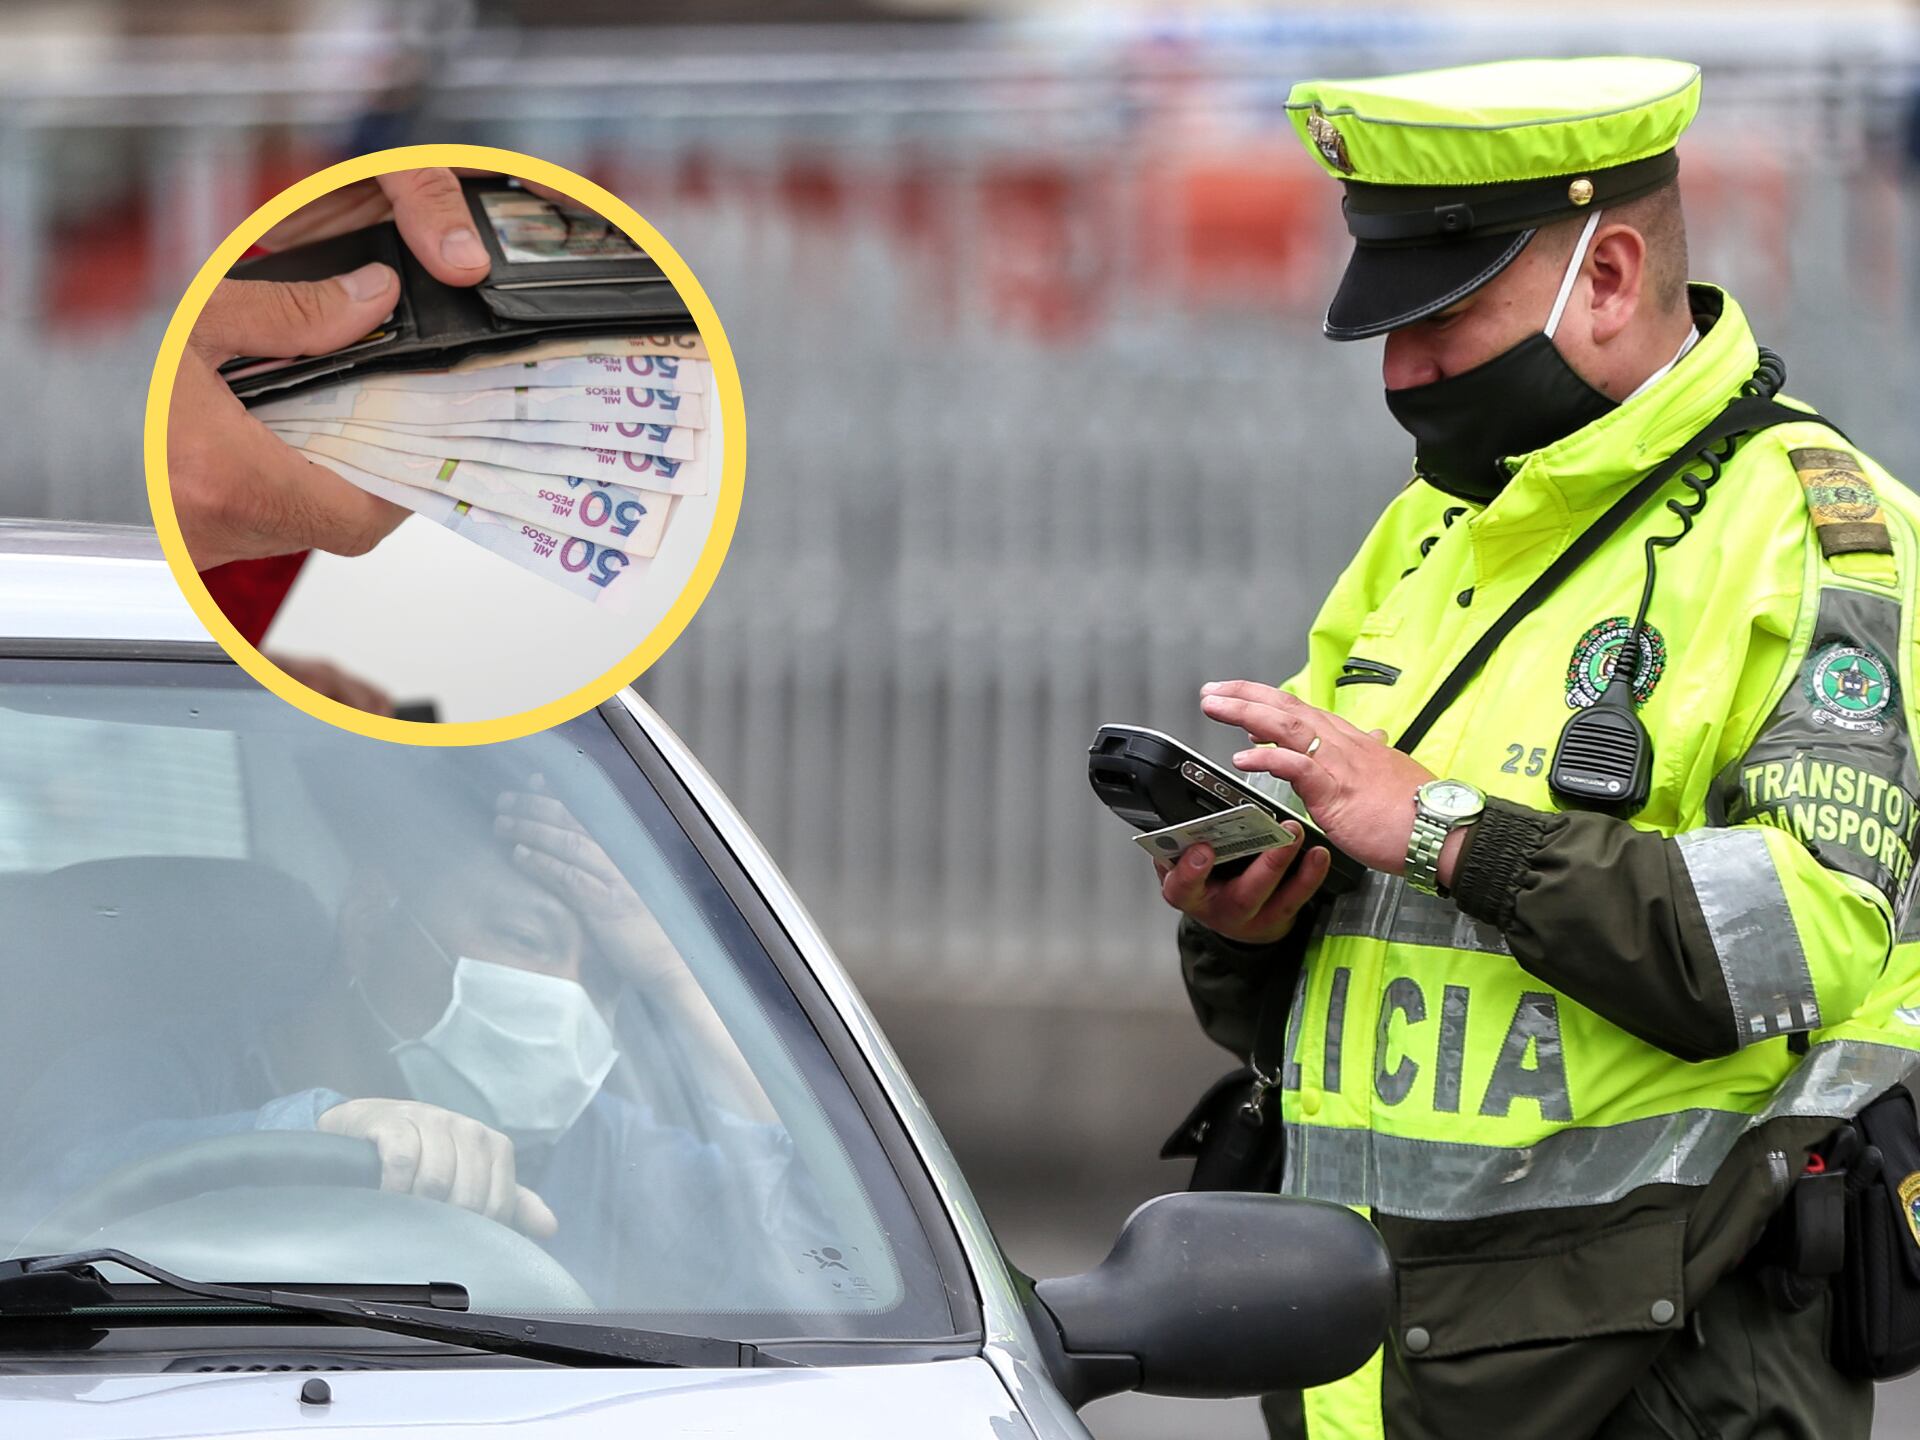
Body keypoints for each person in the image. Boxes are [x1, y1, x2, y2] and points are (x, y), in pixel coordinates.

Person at [1156, 56, 1920, 1437]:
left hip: (1659, 1375)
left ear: (1613, 275)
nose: (1403, 369)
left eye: (1443, 314)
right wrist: (1248, 914)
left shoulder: (1812, 534)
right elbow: (1345, 972)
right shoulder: (1433, 530)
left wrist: (1445, 826)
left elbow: (1800, 944)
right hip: (1376, 1365)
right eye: (1383, 327)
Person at [6, 772, 819, 1311]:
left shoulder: (594, 1148)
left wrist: (675, 978)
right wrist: (322, 1131)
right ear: (370, 921)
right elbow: (38, 1214)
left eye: (605, 978)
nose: (572, 996)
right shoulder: (151, 1071)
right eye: (525, 937)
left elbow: (830, 1245)